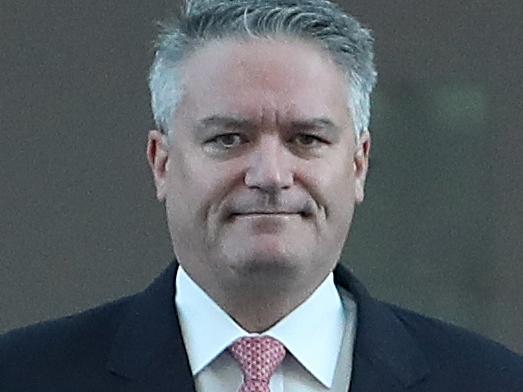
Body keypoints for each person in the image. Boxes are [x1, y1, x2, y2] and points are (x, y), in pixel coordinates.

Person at [1, 0, 522, 391]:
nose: (271, 174)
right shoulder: (25, 375)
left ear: (358, 164)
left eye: (307, 140)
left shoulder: (491, 381)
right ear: (161, 163)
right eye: (229, 139)